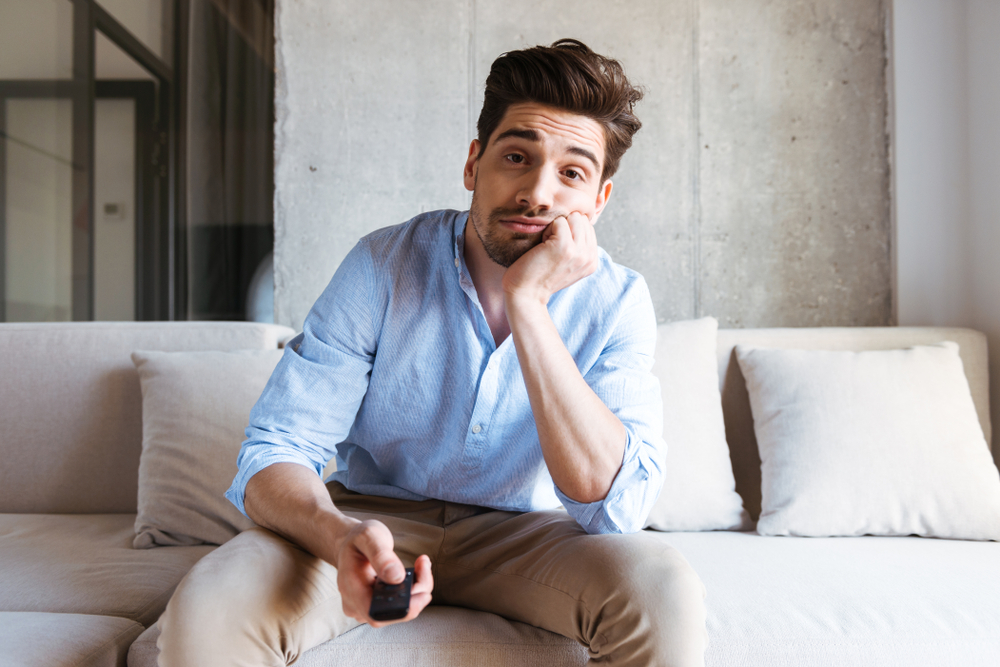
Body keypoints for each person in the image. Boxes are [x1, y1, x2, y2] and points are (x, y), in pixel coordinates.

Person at [158, 39, 707, 667]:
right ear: (474, 164)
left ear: (599, 201)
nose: (538, 192)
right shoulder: (381, 264)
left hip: (529, 537)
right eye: (517, 157)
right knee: (213, 606)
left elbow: (613, 504)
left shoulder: (619, 300)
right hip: (372, 518)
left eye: (572, 172)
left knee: (662, 593)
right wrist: (340, 537)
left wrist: (529, 304)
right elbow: (274, 452)